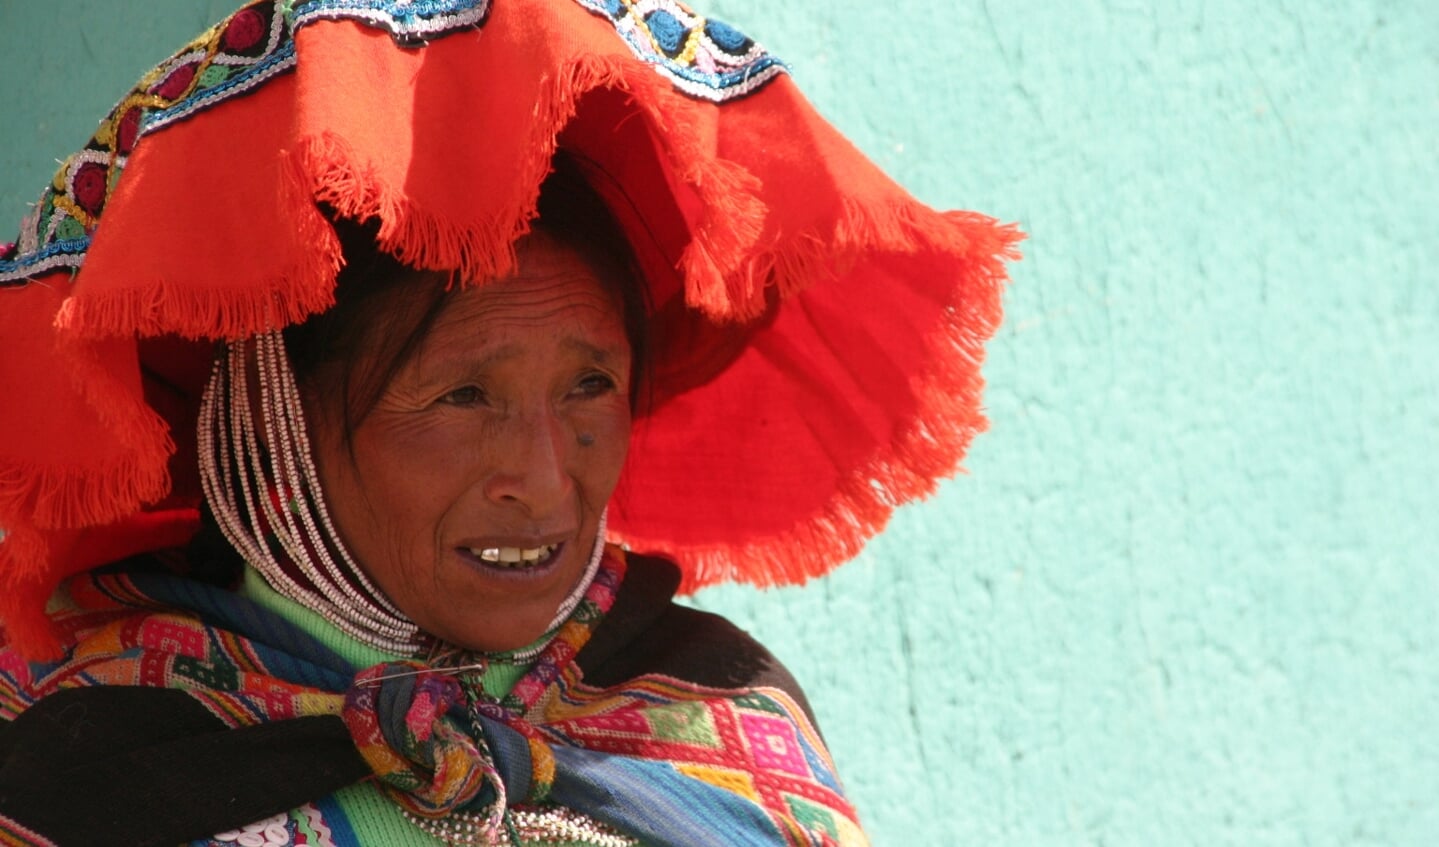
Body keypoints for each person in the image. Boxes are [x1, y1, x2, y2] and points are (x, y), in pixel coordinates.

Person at [0, 1, 1020, 845]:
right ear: (280, 424)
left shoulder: (716, 715)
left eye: (587, 388)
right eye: (461, 396)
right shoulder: (88, 751)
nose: (541, 480)